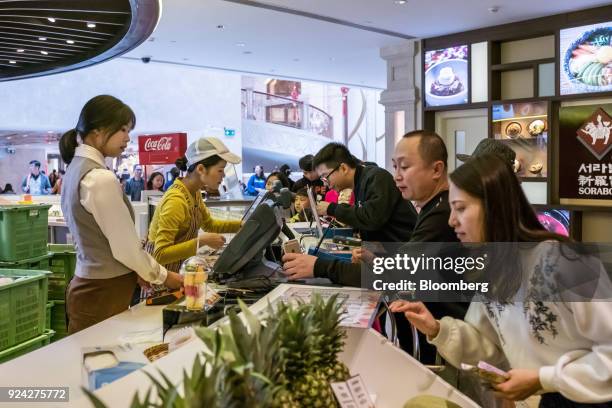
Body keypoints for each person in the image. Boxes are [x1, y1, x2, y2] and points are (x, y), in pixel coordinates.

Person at [390, 155, 612, 407]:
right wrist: (436, 329)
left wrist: (544, 379)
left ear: (494, 208)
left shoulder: (564, 262)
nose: (452, 221)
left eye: (461, 208)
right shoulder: (495, 269)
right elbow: (491, 347)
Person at [59, 94, 182, 334]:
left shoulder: (76, 169)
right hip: (102, 293)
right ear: (98, 131)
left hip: (92, 288)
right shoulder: (99, 178)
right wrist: (165, 276)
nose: (128, 138)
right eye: (123, 130)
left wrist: (138, 271)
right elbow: (124, 248)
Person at [146, 137, 243, 270]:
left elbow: (210, 225)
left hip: (178, 271)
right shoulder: (176, 201)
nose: (223, 176)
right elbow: (160, 253)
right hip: (160, 279)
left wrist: (242, 225)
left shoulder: (194, 192)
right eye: (220, 170)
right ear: (201, 169)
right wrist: (201, 241)